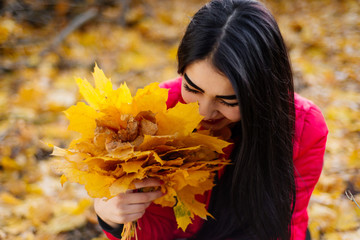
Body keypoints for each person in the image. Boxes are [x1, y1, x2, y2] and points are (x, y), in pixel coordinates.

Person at [94, 0, 328, 239]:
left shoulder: (303, 127)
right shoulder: (154, 116)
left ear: (259, 93)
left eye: (227, 100)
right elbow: (156, 230)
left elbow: (284, 227)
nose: (204, 112)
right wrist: (112, 219)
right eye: (193, 88)